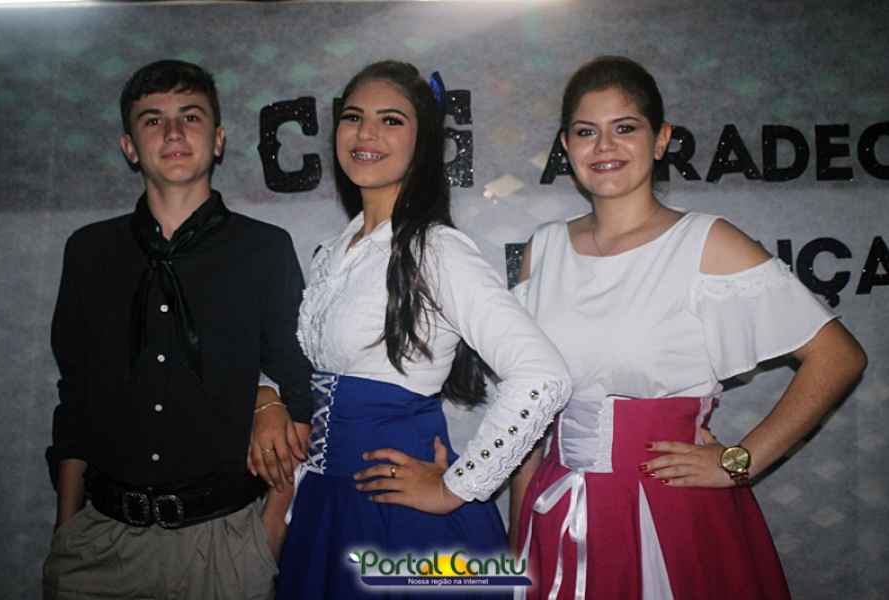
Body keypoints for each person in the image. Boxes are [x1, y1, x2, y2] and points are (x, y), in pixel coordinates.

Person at [509, 56, 867, 600]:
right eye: (586, 132)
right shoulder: (544, 249)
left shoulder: (706, 242)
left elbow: (838, 356)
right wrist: (519, 534)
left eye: (624, 128)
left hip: (670, 510)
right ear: (566, 145)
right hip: (557, 511)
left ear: (660, 140)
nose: (604, 146)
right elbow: (528, 408)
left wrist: (740, 461)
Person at [249, 61, 570, 599]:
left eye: (391, 120)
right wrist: (268, 395)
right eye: (354, 117)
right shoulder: (335, 252)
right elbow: (304, 366)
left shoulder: (436, 249)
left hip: (397, 520)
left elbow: (543, 376)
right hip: (323, 508)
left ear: (422, 144)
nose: (366, 133)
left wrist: (458, 486)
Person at [43, 59, 312, 600]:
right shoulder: (90, 251)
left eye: (190, 117)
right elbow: (74, 400)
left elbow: (301, 390)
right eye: (153, 120)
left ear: (218, 140)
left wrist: (268, 535)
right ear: (129, 147)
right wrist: (65, 532)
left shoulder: (264, 249)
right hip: (98, 544)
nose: (172, 133)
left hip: (225, 546)